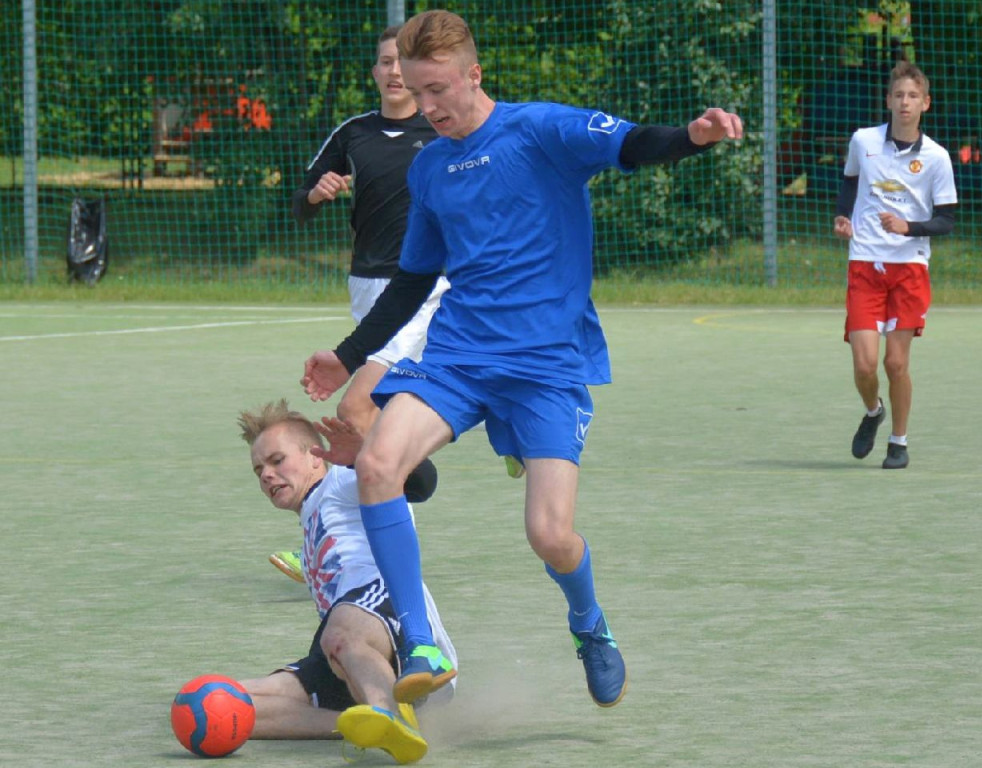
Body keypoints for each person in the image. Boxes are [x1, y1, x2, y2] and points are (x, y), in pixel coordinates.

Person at [299, 9, 743, 710]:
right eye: (418, 93)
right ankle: (420, 643)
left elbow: (629, 144)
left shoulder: (540, 131)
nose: (430, 107)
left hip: (546, 364)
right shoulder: (431, 169)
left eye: (440, 89)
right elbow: (415, 277)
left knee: (550, 535)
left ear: (474, 74)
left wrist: (691, 137)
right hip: (460, 356)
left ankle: (589, 624)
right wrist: (349, 355)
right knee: (379, 465)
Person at [271, 25, 449, 583]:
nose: (393, 71)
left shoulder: (441, 131)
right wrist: (316, 194)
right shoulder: (354, 134)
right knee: (382, 424)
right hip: (368, 291)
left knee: (353, 411)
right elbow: (299, 202)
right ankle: (383, 526)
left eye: (402, 61)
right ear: (374, 72)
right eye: (384, 62)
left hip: (425, 290)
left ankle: (362, 531)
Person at [235, 399, 456, 764]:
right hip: (348, 651)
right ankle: (358, 723)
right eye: (259, 469)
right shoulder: (311, 519)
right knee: (229, 701)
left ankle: (389, 715)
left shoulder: (342, 480)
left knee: (337, 635)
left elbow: (421, 482)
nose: (266, 475)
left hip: (388, 617)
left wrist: (362, 454)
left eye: (277, 460)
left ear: (315, 457)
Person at [833, 61, 957, 469]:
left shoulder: (937, 158)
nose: (905, 103)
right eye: (899, 95)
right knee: (866, 365)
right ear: (888, 100)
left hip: (909, 268)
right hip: (865, 263)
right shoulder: (863, 140)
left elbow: (947, 220)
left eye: (913, 96)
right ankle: (873, 412)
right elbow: (851, 181)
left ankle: (899, 442)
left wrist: (908, 227)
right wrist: (843, 215)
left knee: (895, 362)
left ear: (926, 103)